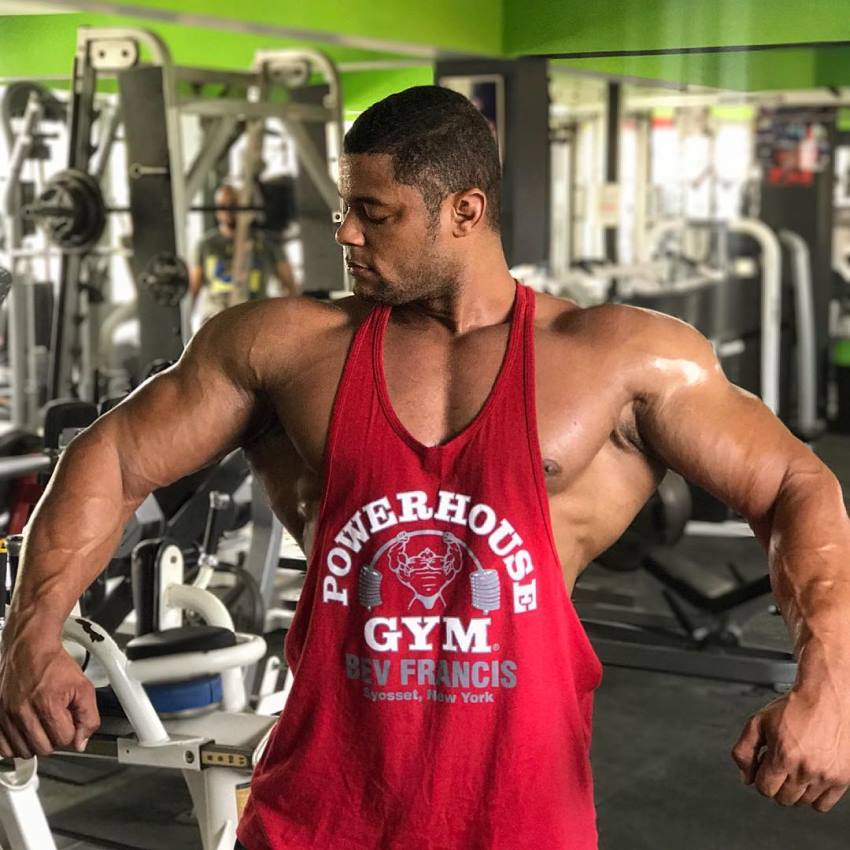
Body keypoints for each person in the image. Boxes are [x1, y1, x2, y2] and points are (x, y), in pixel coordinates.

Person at [1, 86, 849, 850]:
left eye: (376, 212)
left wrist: (831, 682)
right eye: (344, 207)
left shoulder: (615, 358)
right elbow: (109, 455)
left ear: (465, 211)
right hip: (317, 814)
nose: (345, 233)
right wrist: (31, 636)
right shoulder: (283, 347)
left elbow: (795, 485)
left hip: (519, 818)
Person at [189, 182, 299, 325]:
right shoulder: (206, 245)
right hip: (216, 318)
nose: (228, 210)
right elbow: (192, 290)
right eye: (223, 205)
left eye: (233, 204)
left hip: (255, 317)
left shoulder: (267, 244)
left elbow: (290, 287)